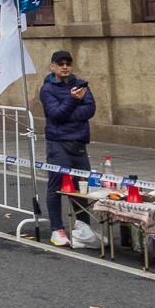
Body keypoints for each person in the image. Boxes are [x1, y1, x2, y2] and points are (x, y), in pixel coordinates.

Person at [39, 50, 97, 247]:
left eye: (68, 63)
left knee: (82, 188)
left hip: (79, 143)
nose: (65, 67)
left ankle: (83, 228)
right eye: (60, 63)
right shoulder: (47, 89)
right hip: (58, 144)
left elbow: (90, 110)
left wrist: (69, 110)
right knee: (56, 187)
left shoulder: (80, 84)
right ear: (52, 66)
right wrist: (73, 101)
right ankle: (57, 229)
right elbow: (55, 115)